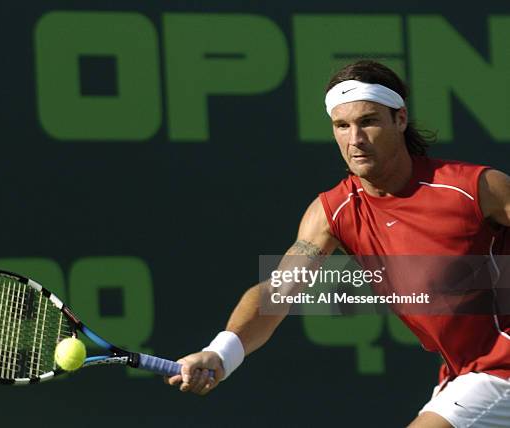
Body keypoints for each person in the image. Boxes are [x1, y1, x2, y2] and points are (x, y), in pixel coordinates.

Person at [165, 60, 510, 427]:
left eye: (369, 121)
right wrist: (219, 353)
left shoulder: (476, 188)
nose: (355, 139)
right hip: (463, 372)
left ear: (400, 119)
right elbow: (277, 293)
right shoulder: (332, 213)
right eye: (342, 126)